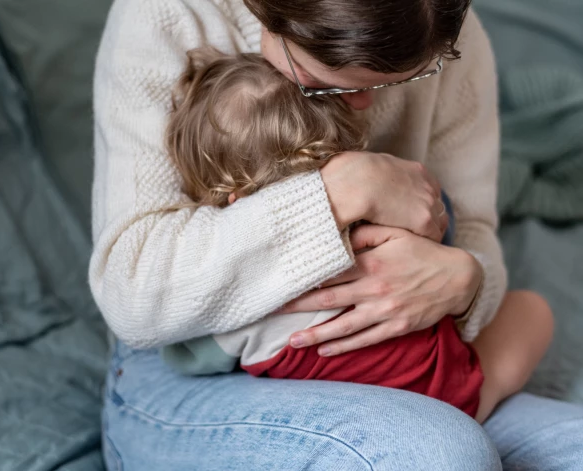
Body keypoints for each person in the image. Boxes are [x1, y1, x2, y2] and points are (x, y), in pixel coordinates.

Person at [92, 0, 583, 469]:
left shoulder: (443, 24)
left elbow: (473, 228)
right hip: (189, 365)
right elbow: (132, 294)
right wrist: (343, 192)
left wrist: (466, 280)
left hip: (421, 357)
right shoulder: (165, 13)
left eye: (406, 76)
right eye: (322, 82)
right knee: (439, 450)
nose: (365, 103)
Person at [158, 47, 552, 423]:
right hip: (454, 391)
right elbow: (445, 230)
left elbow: (189, 355)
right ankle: (480, 403)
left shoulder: (237, 287)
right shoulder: (393, 224)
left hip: (338, 416)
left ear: (233, 201)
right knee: (534, 310)